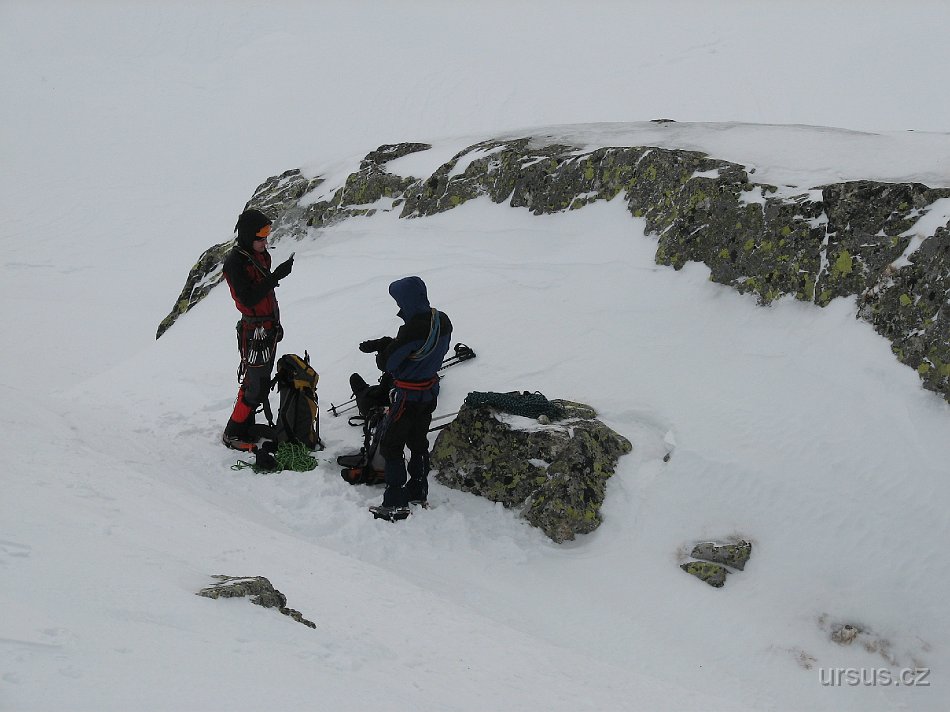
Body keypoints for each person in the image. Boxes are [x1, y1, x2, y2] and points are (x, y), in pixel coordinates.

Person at [363, 276, 452, 521]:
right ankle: (418, 490)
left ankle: (395, 501)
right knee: (418, 441)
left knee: (392, 444)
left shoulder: (413, 328)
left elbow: (389, 363)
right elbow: (425, 350)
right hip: (429, 393)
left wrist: (383, 349)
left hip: (407, 396)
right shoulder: (441, 320)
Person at [221, 208, 294, 450]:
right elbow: (248, 299)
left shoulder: (259, 255)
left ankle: (245, 425)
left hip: (266, 327)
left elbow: (266, 296)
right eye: (260, 237)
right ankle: (234, 431)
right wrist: (275, 277)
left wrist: (276, 322)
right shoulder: (235, 263)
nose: (265, 241)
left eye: (267, 236)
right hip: (255, 332)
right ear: (247, 235)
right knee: (256, 385)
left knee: (257, 381)